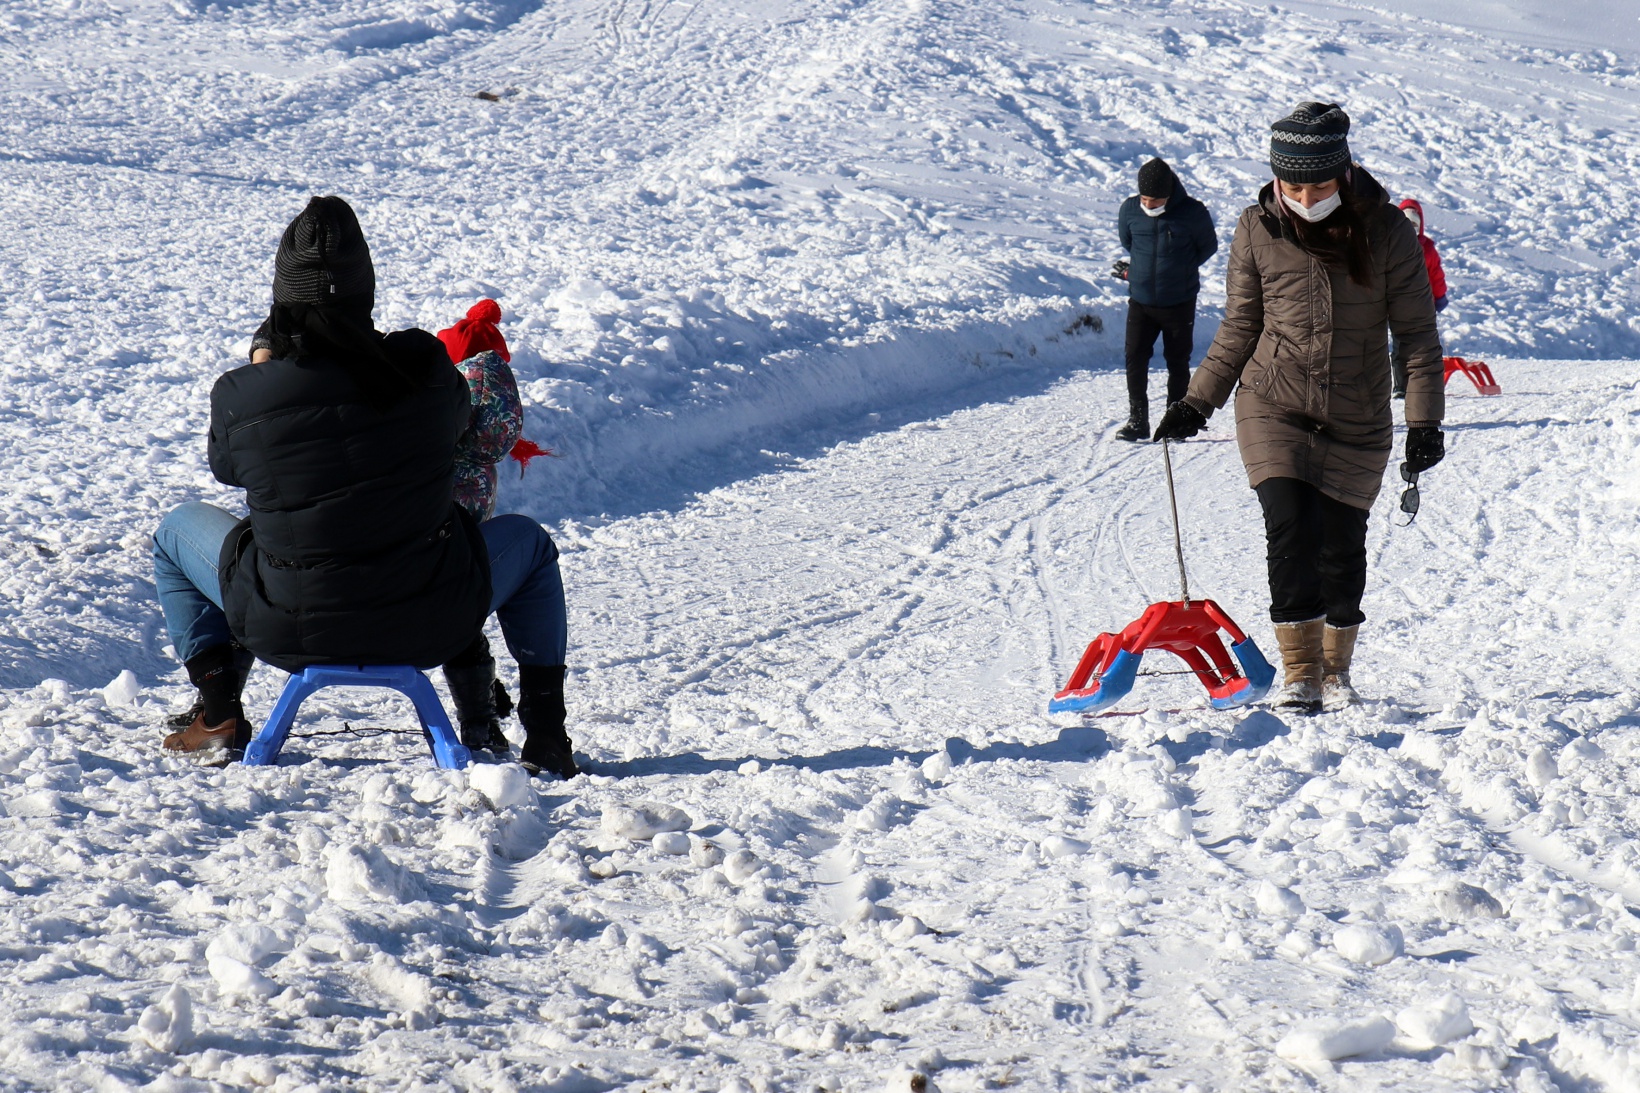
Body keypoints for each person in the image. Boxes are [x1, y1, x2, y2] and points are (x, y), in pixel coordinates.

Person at [151, 196, 577, 777]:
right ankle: (547, 735)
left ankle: (220, 709)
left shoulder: (242, 392)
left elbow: (228, 468)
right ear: (365, 290)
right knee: (529, 543)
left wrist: (262, 361)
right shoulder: (423, 368)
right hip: (430, 619)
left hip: (284, 624)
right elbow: (460, 426)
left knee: (177, 528)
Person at [1151, 102, 1446, 713]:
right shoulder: (1255, 228)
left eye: (1317, 183)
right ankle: (1299, 674)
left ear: (1342, 173)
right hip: (1273, 404)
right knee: (1290, 526)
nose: (1305, 196)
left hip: (1358, 414)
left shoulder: (1387, 232)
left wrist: (1424, 422)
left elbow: (1416, 335)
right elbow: (1239, 326)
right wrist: (1195, 403)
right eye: (1292, 185)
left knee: (1340, 547)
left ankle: (1335, 670)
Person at [434, 298, 525, 757]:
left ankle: (481, 696)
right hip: (462, 539)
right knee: (465, 595)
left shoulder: (437, 424)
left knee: (455, 592)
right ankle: (480, 702)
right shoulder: (482, 446)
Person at [1114, 158, 1218, 441]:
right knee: (1134, 358)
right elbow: (1129, 243)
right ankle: (1137, 420)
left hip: (1178, 302)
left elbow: (1208, 246)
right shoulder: (1130, 210)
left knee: (1177, 362)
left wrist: (1179, 269)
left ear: (1169, 194)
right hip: (1141, 301)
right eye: (1145, 199)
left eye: (1156, 200)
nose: (1149, 205)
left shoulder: (1192, 213)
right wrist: (1136, 272)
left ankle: (1175, 421)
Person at [1392, 197, 1448, 398]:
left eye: (1415, 224)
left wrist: (1440, 297)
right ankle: (1400, 385)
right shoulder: (1392, 246)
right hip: (1397, 304)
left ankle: (1421, 383)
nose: (1411, 229)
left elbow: (1436, 275)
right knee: (1399, 346)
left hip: (1423, 305)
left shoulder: (1428, 249)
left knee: (1422, 346)